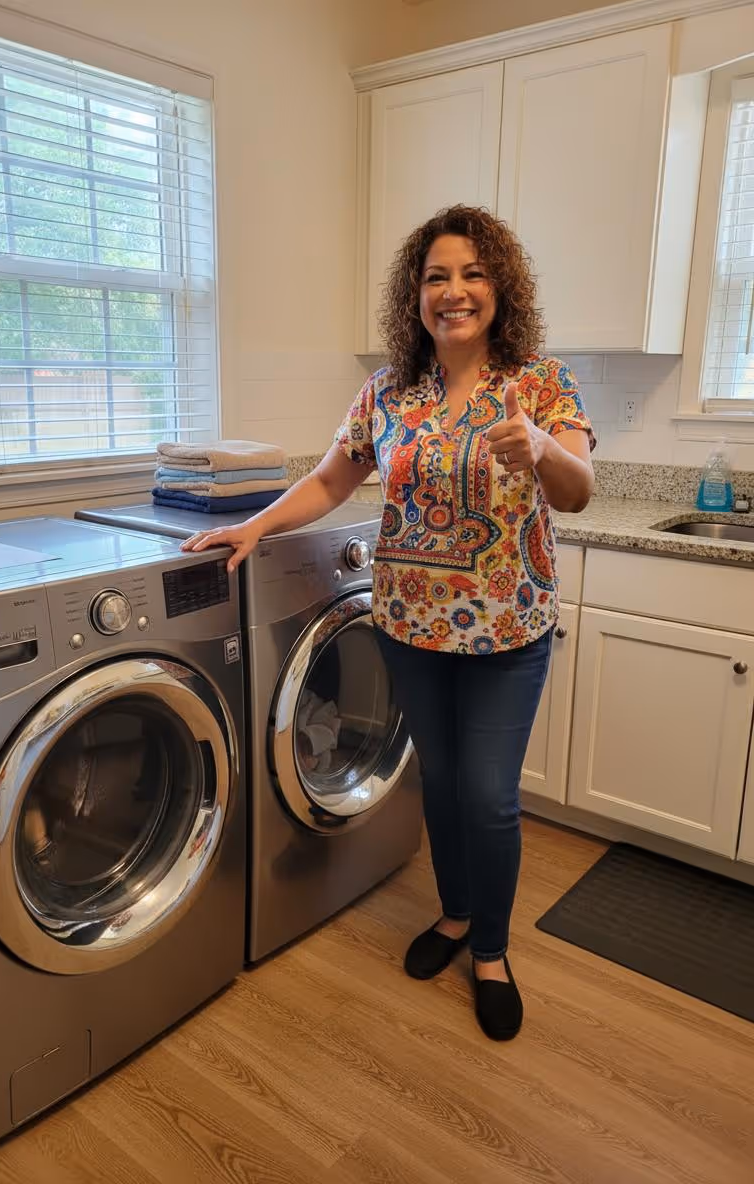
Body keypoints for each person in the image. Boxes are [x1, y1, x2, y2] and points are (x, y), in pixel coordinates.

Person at [182, 205, 595, 1041]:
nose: (455, 292)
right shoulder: (387, 393)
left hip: (508, 629)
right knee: (439, 783)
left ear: (500, 287)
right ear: (416, 295)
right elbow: (333, 483)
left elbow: (579, 487)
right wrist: (257, 524)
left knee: (489, 797)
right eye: (437, 277)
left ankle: (490, 948)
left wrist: (546, 454)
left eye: (473, 274)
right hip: (410, 624)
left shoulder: (541, 382)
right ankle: (452, 914)